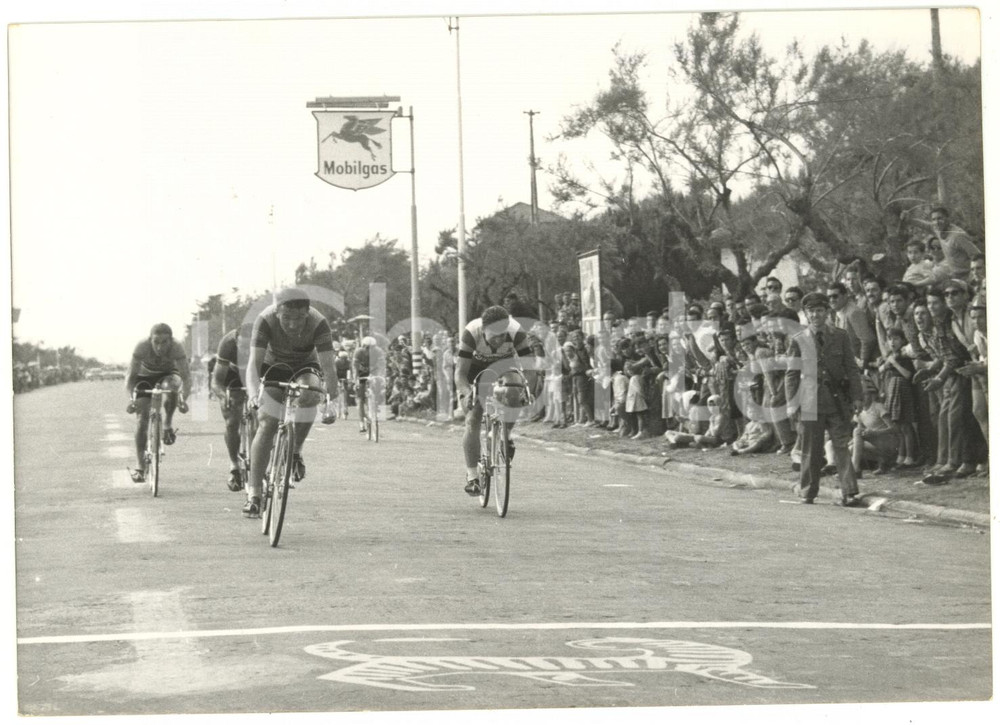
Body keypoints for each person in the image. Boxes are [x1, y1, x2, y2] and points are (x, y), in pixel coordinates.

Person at [242, 288, 339, 518]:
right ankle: (254, 494)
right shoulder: (265, 320)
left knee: (311, 394)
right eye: (286, 318)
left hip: (306, 364)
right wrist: (254, 394)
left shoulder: (319, 323)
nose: (293, 325)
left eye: (298, 318)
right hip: (273, 364)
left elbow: (329, 368)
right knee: (267, 421)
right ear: (277, 311)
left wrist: (331, 401)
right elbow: (253, 365)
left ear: (308, 313)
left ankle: (295, 450)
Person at [785, 292, 864, 506]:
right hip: (810, 402)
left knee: (841, 446)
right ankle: (808, 491)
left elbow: (851, 368)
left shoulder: (840, 336)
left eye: (820, 310)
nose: (816, 315)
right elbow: (792, 374)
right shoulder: (798, 340)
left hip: (837, 400)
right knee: (812, 448)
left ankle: (849, 492)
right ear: (807, 314)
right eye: (811, 311)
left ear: (827, 311)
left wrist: (857, 396)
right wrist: (792, 403)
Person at [455, 305, 536, 496]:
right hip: (475, 367)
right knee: (473, 419)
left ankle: (505, 436)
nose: (499, 340)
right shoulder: (471, 332)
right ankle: (473, 476)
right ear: (483, 330)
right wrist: (467, 393)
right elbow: (460, 373)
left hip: (504, 365)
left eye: (502, 335)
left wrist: (528, 390)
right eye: (494, 336)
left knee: (515, 391)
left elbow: (530, 369)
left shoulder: (516, 332)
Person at [125, 323, 191, 482]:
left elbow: (186, 378)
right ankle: (140, 466)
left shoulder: (177, 348)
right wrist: (131, 400)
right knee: (142, 420)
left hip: (168, 374)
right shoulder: (141, 347)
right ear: (150, 340)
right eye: (156, 342)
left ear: (171, 341)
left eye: (164, 342)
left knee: (172, 387)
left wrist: (183, 400)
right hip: (144, 376)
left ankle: (167, 424)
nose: (160, 347)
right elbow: (130, 378)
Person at [212, 325, 250, 492]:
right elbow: (216, 382)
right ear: (236, 341)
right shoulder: (227, 343)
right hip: (233, 374)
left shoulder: (268, 341)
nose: (247, 351)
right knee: (232, 420)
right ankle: (234, 466)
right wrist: (223, 396)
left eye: (251, 347)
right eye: (243, 346)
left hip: (257, 370)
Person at [352, 335, 387, 433]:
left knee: (380, 384)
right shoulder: (358, 352)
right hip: (362, 372)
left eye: (372, 348)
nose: (369, 350)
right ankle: (361, 423)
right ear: (363, 346)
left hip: (374, 371)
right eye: (367, 348)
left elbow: (381, 366)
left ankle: (376, 404)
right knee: (361, 399)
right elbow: (355, 368)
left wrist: (381, 377)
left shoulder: (379, 351)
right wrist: (356, 380)